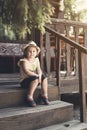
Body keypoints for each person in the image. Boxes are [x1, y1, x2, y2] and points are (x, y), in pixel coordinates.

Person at [18, 41, 49, 107]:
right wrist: (37, 76)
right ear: (25, 52)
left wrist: (40, 75)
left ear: (36, 52)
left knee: (44, 77)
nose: (32, 53)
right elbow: (27, 72)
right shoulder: (24, 61)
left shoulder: (36, 60)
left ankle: (44, 95)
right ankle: (29, 96)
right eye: (29, 51)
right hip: (25, 81)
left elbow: (39, 70)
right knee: (35, 78)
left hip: (35, 79)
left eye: (34, 51)